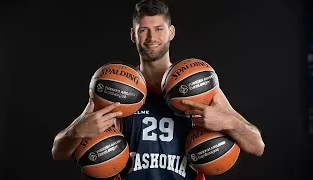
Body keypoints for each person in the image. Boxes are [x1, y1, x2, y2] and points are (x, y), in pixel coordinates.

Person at [51, 0, 265, 179]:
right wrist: (77, 131)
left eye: (159, 29)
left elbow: (257, 146)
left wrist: (228, 122)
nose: (152, 38)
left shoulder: (199, 88)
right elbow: (58, 152)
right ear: (133, 35)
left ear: (171, 32)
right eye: (143, 30)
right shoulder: (116, 89)